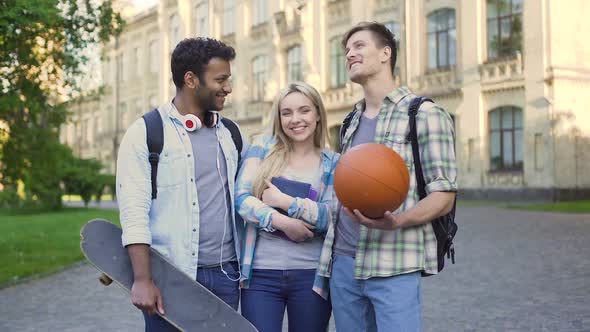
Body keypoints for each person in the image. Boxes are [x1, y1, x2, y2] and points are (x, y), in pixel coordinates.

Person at [315, 22, 458, 332]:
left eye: (358, 46)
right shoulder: (350, 120)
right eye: (347, 50)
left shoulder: (424, 114)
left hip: (393, 263)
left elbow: (444, 195)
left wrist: (400, 221)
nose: (350, 54)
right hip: (342, 263)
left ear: (385, 53)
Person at [116, 37, 245, 331]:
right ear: (190, 80)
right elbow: (134, 213)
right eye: (220, 79)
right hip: (172, 278)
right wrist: (142, 279)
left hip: (227, 277)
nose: (228, 88)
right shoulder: (146, 132)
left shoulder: (232, 134)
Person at [235, 82, 338, 332]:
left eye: (304, 110)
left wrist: (285, 203)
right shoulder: (261, 148)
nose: (295, 119)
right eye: (286, 112)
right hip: (260, 274)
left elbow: (331, 216)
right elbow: (241, 198)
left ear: (317, 114)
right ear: (279, 118)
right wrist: (283, 222)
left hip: (311, 275)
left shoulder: (333, 163)